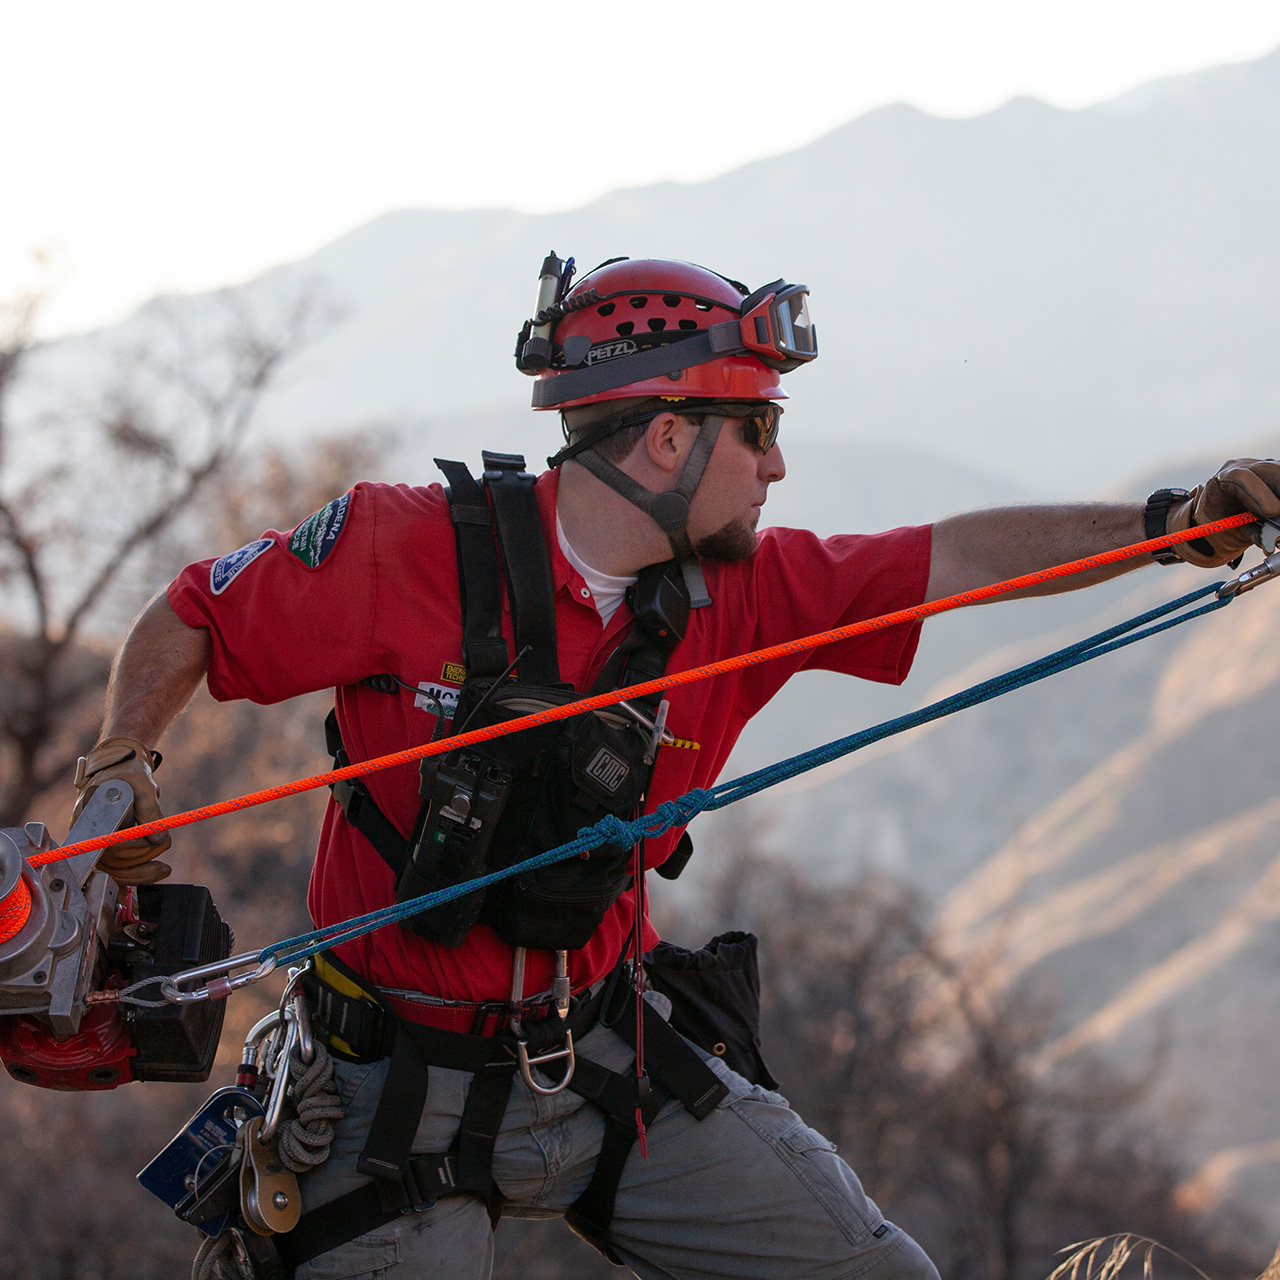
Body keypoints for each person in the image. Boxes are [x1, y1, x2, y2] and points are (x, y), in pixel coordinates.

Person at [75, 257, 1280, 1280]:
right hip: (383, 1086)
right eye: (758, 429)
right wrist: (121, 766)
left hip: (607, 1058)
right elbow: (192, 616)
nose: (775, 466)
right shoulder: (404, 549)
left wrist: (1169, 526)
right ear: (665, 438)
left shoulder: (745, 594)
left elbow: (956, 558)